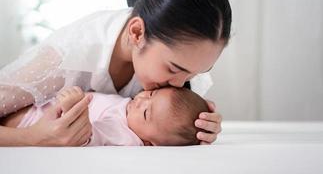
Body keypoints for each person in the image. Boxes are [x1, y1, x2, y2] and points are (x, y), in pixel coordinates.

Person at [0, 0, 230, 146]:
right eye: (174, 69)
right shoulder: (65, 57)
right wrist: (30, 138)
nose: (181, 85)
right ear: (137, 33)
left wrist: (198, 129)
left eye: (196, 73)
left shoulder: (179, 60)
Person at [1, 86, 209, 146]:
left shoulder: (125, 135)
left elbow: (88, 135)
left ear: (150, 143)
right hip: (40, 105)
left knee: (11, 118)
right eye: (152, 94)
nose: (142, 100)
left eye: (146, 113)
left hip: (39, 121)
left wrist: (75, 106)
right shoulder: (131, 110)